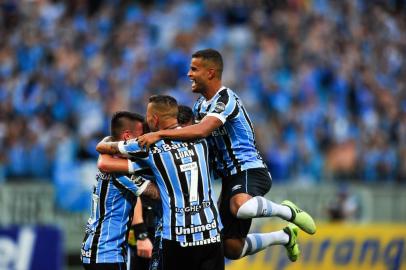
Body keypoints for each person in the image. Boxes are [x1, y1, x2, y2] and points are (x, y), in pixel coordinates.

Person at [136, 49, 316, 261]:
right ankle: (284, 236)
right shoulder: (200, 106)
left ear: (210, 73)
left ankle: (287, 211)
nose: (189, 74)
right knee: (230, 248)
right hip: (229, 179)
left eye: (194, 69)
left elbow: (201, 130)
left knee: (240, 206)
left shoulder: (226, 99)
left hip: (249, 169)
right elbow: (194, 140)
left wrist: (159, 134)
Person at [96, 95, 225, 270]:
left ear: (154, 119)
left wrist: (106, 141)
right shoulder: (201, 139)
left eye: (148, 116)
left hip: (177, 237)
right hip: (211, 234)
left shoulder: (151, 148)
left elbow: (104, 151)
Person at [81, 111, 146, 270]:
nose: (143, 140)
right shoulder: (120, 169)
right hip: (107, 254)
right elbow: (153, 193)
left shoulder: (108, 157)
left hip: (95, 249)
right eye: (141, 136)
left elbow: (106, 142)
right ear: (127, 137)